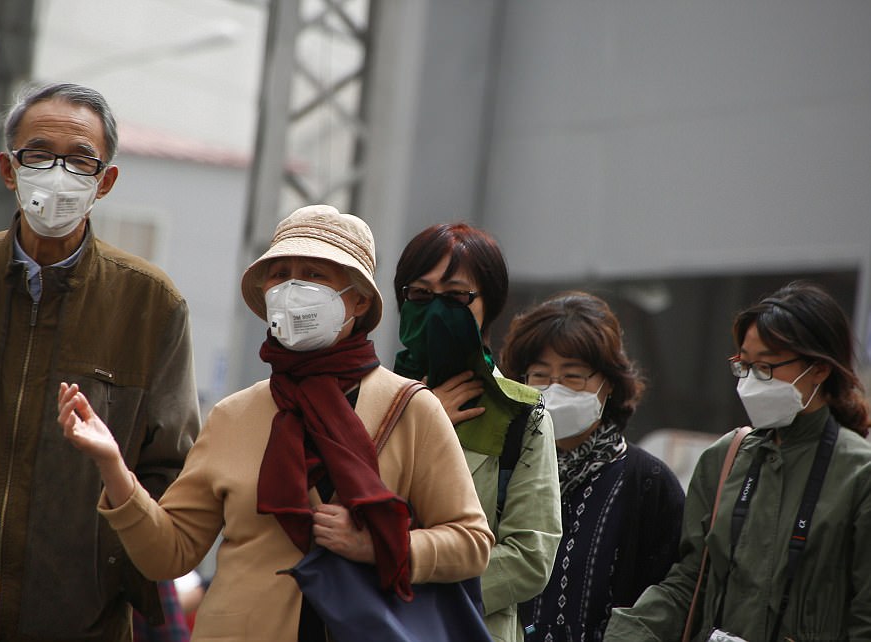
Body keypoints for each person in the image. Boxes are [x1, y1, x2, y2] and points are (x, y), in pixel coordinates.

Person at [57, 205, 494, 641]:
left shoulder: (411, 408)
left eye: (314, 274)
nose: (291, 288)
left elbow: (472, 543)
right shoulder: (234, 415)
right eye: (280, 273)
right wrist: (114, 467)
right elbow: (170, 555)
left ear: (359, 300)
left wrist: (378, 546)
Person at [0, 82, 200, 641]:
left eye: (80, 160)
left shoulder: (150, 305)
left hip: (78, 626)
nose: (58, 174)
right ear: (8, 169)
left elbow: (172, 478)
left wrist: (113, 545)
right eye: (38, 154)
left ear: (106, 181)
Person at [605, 281, 871, 642]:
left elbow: (864, 616)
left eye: (766, 367)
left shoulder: (859, 473)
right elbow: (689, 580)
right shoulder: (726, 458)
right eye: (745, 366)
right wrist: (628, 633)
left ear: (820, 369)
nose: (751, 382)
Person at [392, 222, 562, 642]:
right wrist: (422, 424)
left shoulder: (522, 414)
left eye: (454, 297)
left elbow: (529, 557)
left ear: (490, 304)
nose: (435, 310)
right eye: (419, 294)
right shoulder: (366, 400)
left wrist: (408, 581)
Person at [499, 291, 685, 641]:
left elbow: (673, 591)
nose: (553, 390)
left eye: (573, 377)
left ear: (609, 385)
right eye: (540, 375)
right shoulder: (503, 470)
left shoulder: (647, 482)